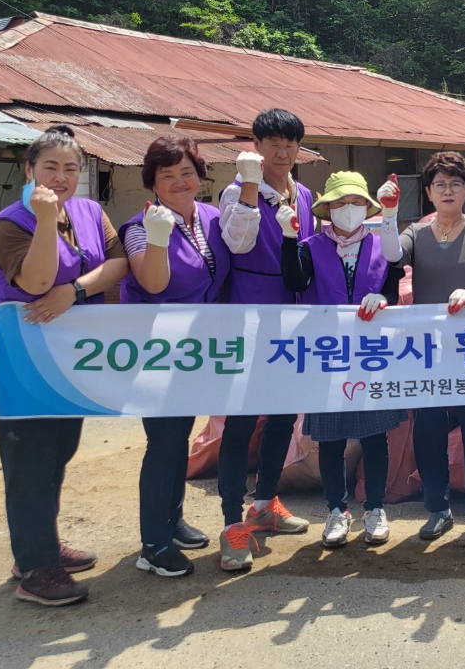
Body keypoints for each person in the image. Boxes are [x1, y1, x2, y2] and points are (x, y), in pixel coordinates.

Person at [0, 125, 129, 605]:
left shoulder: (89, 211)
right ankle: (36, 569)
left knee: (59, 452)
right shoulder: (9, 224)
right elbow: (37, 281)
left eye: (70, 168)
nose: (61, 177)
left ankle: (41, 544)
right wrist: (45, 221)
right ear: (29, 170)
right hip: (21, 365)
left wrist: (76, 290)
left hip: (69, 362)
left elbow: (118, 263)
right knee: (29, 463)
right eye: (50, 167)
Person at [373, 151, 465, 541]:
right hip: (427, 350)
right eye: (439, 184)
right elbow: (391, 255)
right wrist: (388, 213)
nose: (447, 191)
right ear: (428, 192)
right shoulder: (416, 233)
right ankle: (438, 509)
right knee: (428, 430)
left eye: (456, 184)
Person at [120, 136, 232, 577]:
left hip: (197, 350)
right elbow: (153, 283)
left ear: (200, 175)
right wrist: (158, 238)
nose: (179, 182)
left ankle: (172, 518)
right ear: (153, 182)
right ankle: (153, 543)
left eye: (186, 172)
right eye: (167, 175)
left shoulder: (212, 218)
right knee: (164, 442)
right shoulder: (140, 227)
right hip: (158, 352)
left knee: (180, 435)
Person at [279, 170, 406, 549]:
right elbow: (295, 282)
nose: (348, 209)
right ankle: (337, 510)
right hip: (328, 355)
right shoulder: (310, 247)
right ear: (327, 209)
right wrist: (288, 237)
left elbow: (392, 289)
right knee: (330, 438)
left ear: (367, 207)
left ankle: (375, 508)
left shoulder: (384, 246)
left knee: (374, 435)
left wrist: (383, 298)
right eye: (340, 203)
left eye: (355, 203)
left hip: (370, 355)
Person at [216, 108, 315, 571]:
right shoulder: (237, 192)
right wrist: (251, 187)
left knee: (282, 417)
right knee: (240, 423)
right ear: (255, 146)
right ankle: (231, 524)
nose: (282, 152)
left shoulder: (306, 194)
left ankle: (265, 504)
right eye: (273, 143)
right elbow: (237, 243)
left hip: (292, 325)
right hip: (250, 320)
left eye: (290, 144)